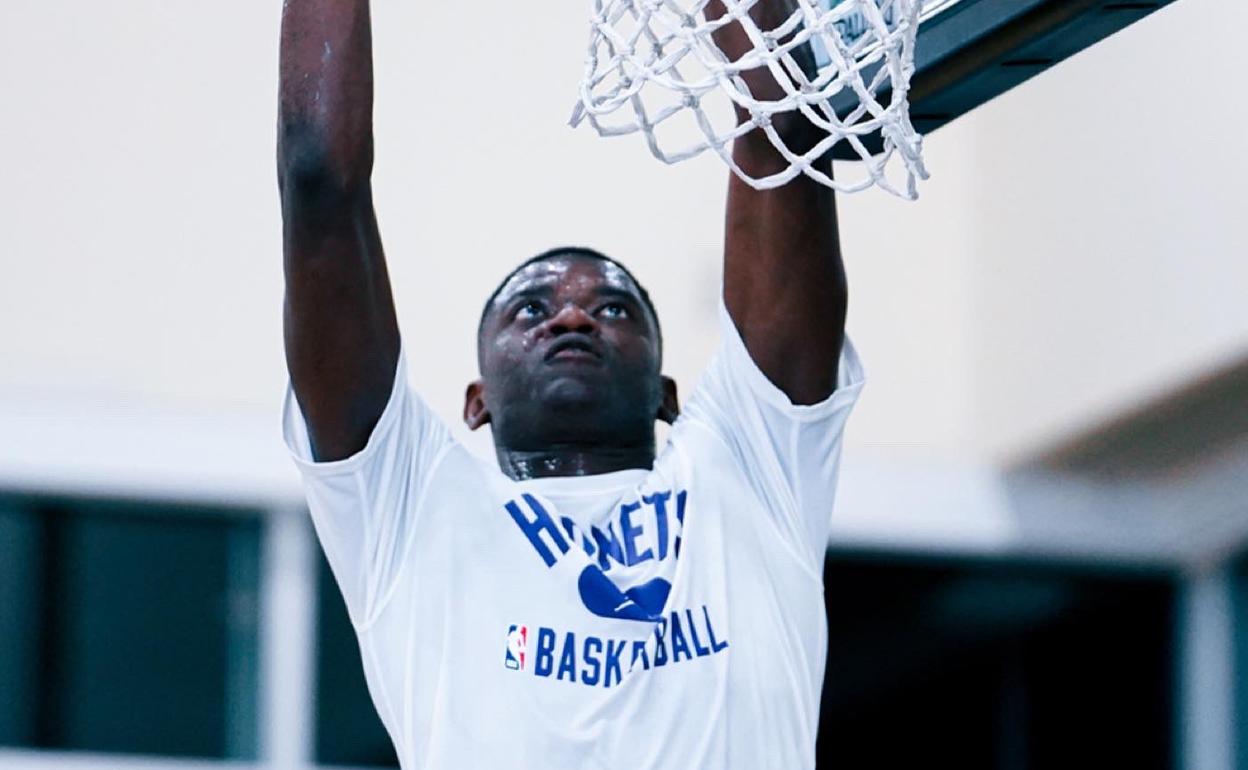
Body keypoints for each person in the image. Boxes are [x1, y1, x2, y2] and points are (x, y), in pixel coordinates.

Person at [277, 1, 863, 768]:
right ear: (476, 401)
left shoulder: (751, 465)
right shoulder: (410, 505)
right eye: (532, 308)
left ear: (667, 394)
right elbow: (319, 180)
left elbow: (782, 124)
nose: (573, 319)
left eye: (612, 307)